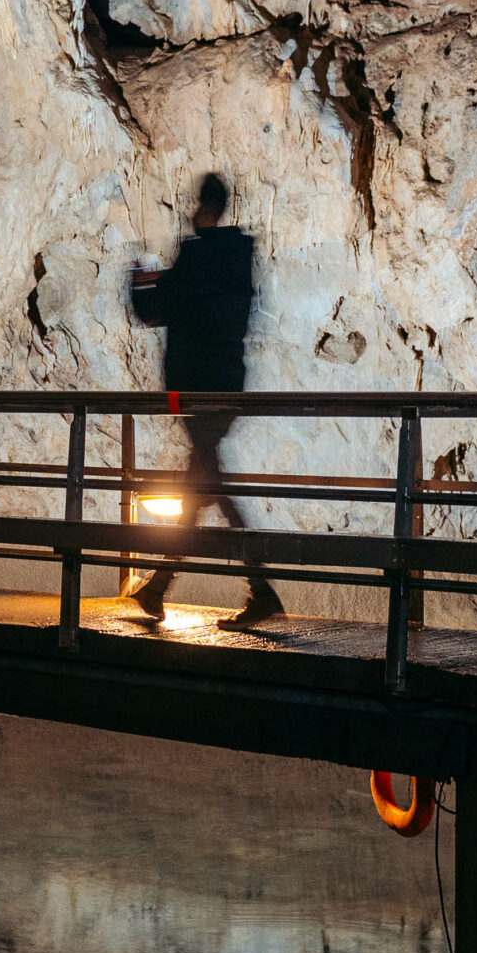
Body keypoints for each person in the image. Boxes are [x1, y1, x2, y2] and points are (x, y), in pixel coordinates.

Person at [127, 172, 285, 629]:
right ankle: (159, 589)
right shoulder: (237, 256)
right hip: (226, 386)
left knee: (207, 486)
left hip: (195, 389)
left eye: (197, 205)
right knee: (201, 484)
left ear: (207, 209)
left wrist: (140, 282)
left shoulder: (199, 255)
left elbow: (156, 309)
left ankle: (261, 589)